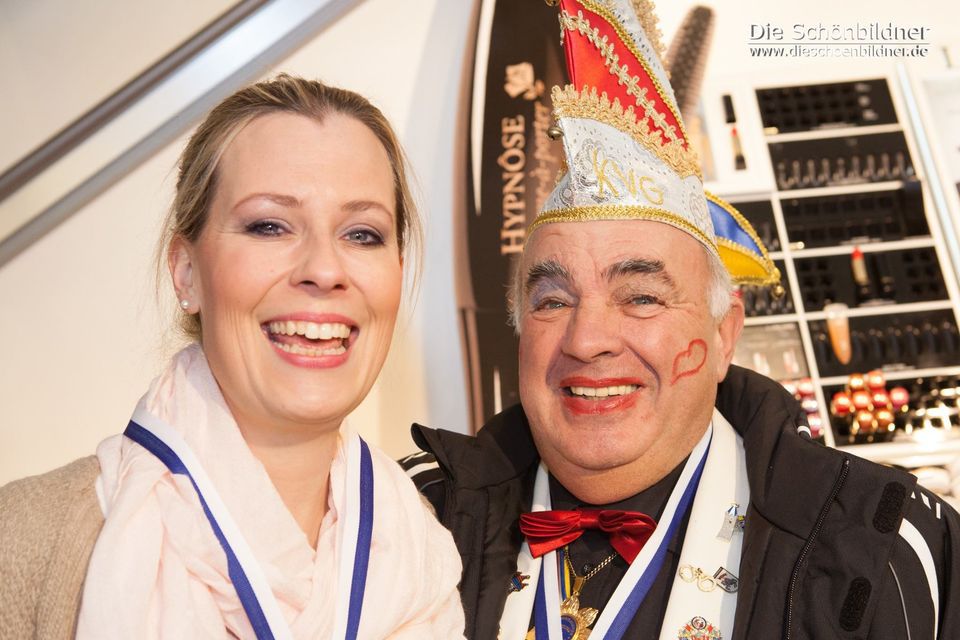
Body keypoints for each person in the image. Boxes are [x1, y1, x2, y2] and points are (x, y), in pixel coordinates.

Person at [401, 1, 960, 638]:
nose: (587, 340)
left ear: (724, 335)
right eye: (552, 301)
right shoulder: (414, 515)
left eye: (641, 297)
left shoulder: (893, 547)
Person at [0, 74, 465, 639]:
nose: (324, 269)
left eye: (362, 234)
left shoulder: (428, 556)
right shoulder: (27, 538)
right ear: (186, 272)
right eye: (269, 226)